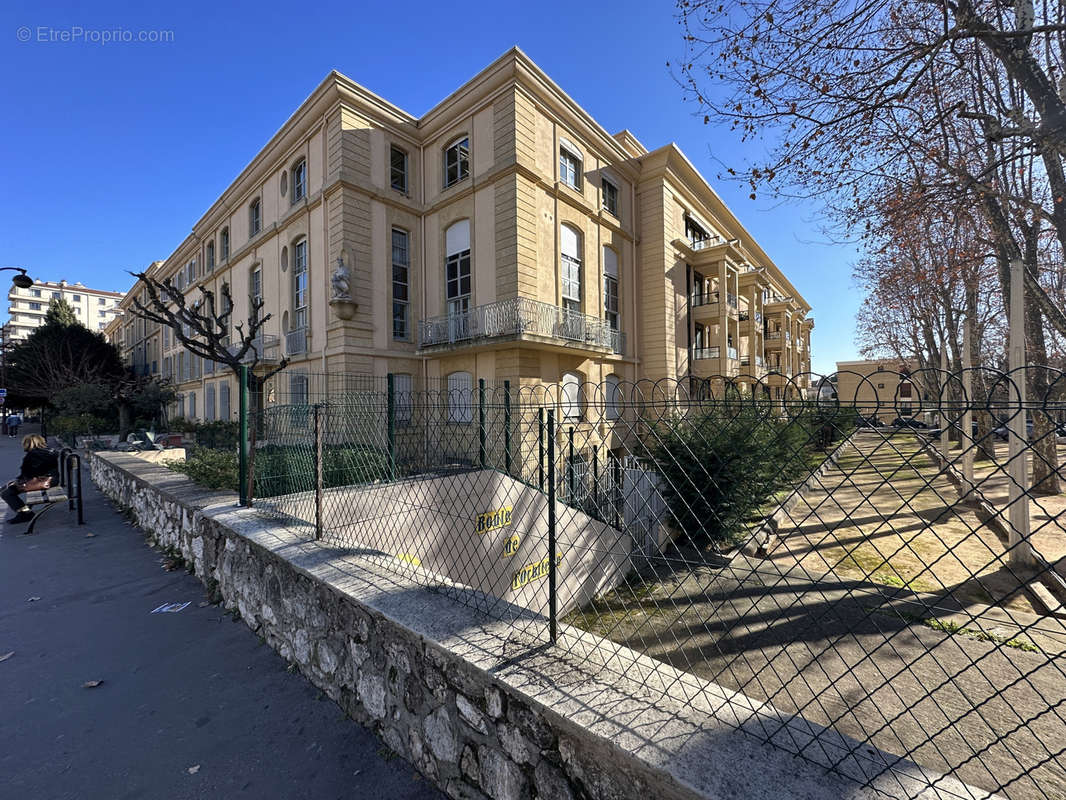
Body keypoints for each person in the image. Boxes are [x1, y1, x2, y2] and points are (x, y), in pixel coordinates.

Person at [3, 434, 59, 524]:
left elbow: (28, 474)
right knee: (7, 488)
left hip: (42, 481)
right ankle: (25, 512)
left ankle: (25, 514)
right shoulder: (48, 451)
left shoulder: (33, 455)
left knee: (7, 493)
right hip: (51, 480)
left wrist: (17, 481)